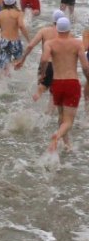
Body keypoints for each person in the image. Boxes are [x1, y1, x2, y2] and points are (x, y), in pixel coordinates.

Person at [38, 17, 89, 154]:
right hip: (71, 83)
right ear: (69, 29)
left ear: (57, 29)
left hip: (57, 83)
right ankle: (57, 137)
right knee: (68, 122)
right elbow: (85, 66)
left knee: (61, 116)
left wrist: (42, 74)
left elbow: (44, 60)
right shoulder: (77, 44)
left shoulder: (49, 43)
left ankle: (66, 144)